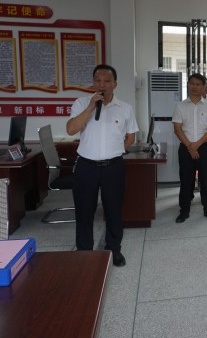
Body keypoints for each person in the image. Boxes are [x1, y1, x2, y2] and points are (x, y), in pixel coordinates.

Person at [67, 64, 138, 267]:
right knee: (84, 212)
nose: (102, 84)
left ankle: (114, 250)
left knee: (114, 211)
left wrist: (117, 150)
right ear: (93, 83)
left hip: (113, 167)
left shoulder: (125, 108)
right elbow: (71, 129)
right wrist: (91, 107)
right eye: (98, 80)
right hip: (86, 167)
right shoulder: (81, 103)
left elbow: (131, 136)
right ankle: (84, 252)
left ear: (115, 84)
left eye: (107, 81)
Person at [172, 73, 207, 223]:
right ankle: (184, 210)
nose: (194, 86)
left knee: (205, 180)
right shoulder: (180, 106)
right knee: (186, 180)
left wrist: (196, 145)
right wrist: (190, 147)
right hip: (186, 148)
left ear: (203, 87)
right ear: (188, 85)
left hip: (204, 148)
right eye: (192, 83)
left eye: (198, 84)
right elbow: (177, 129)